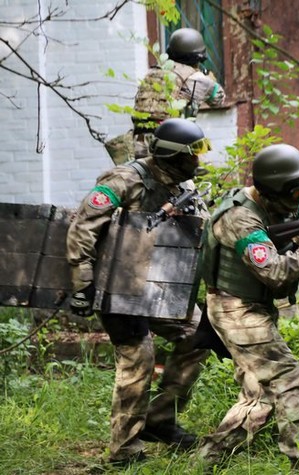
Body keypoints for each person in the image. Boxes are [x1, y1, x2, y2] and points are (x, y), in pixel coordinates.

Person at [66, 118, 212, 465]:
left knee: (199, 335)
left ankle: (159, 420)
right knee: (139, 357)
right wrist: (82, 284)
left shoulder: (183, 184)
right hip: (116, 285)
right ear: (174, 155)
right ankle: (124, 450)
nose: (199, 159)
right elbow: (83, 228)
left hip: (159, 284)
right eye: (194, 152)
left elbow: (202, 230)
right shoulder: (124, 180)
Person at [195, 144, 299, 470]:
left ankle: (207, 459)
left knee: (260, 395)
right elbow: (275, 273)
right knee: (289, 378)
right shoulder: (239, 218)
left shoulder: (291, 204)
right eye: (295, 193)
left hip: (256, 305)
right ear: (272, 191)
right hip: (234, 308)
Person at [131, 27, 225, 161]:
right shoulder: (198, 78)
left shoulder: (153, 72)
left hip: (139, 145)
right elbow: (218, 100)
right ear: (199, 57)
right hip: (174, 146)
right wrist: (210, 80)